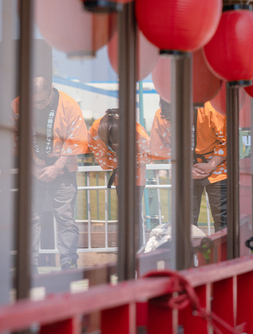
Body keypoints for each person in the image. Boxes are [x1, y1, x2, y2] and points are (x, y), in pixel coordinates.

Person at [12, 50, 88, 271]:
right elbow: (14, 138)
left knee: (65, 218)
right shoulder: (18, 105)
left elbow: (77, 139)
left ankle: (68, 262)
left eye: (42, 101)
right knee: (30, 218)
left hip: (62, 171)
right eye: (33, 102)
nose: (37, 105)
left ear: (51, 91)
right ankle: (29, 264)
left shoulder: (69, 105)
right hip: (33, 169)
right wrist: (34, 168)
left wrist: (57, 167)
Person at [150, 99, 228, 231]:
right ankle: (189, 251)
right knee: (186, 220)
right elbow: (157, 147)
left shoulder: (211, 109)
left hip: (218, 167)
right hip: (184, 171)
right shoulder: (161, 115)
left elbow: (228, 140)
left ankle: (224, 251)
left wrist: (210, 165)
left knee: (223, 219)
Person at [88, 108, 151, 250]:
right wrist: (119, 160)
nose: (115, 147)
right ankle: (127, 247)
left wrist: (126, 159)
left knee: (134, 212)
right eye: (112, 144)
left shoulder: (137, 132)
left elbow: (147, 153)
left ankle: (136, 247)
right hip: (120, 173)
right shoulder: (96, 129)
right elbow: (97, 149)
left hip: (136, 174)